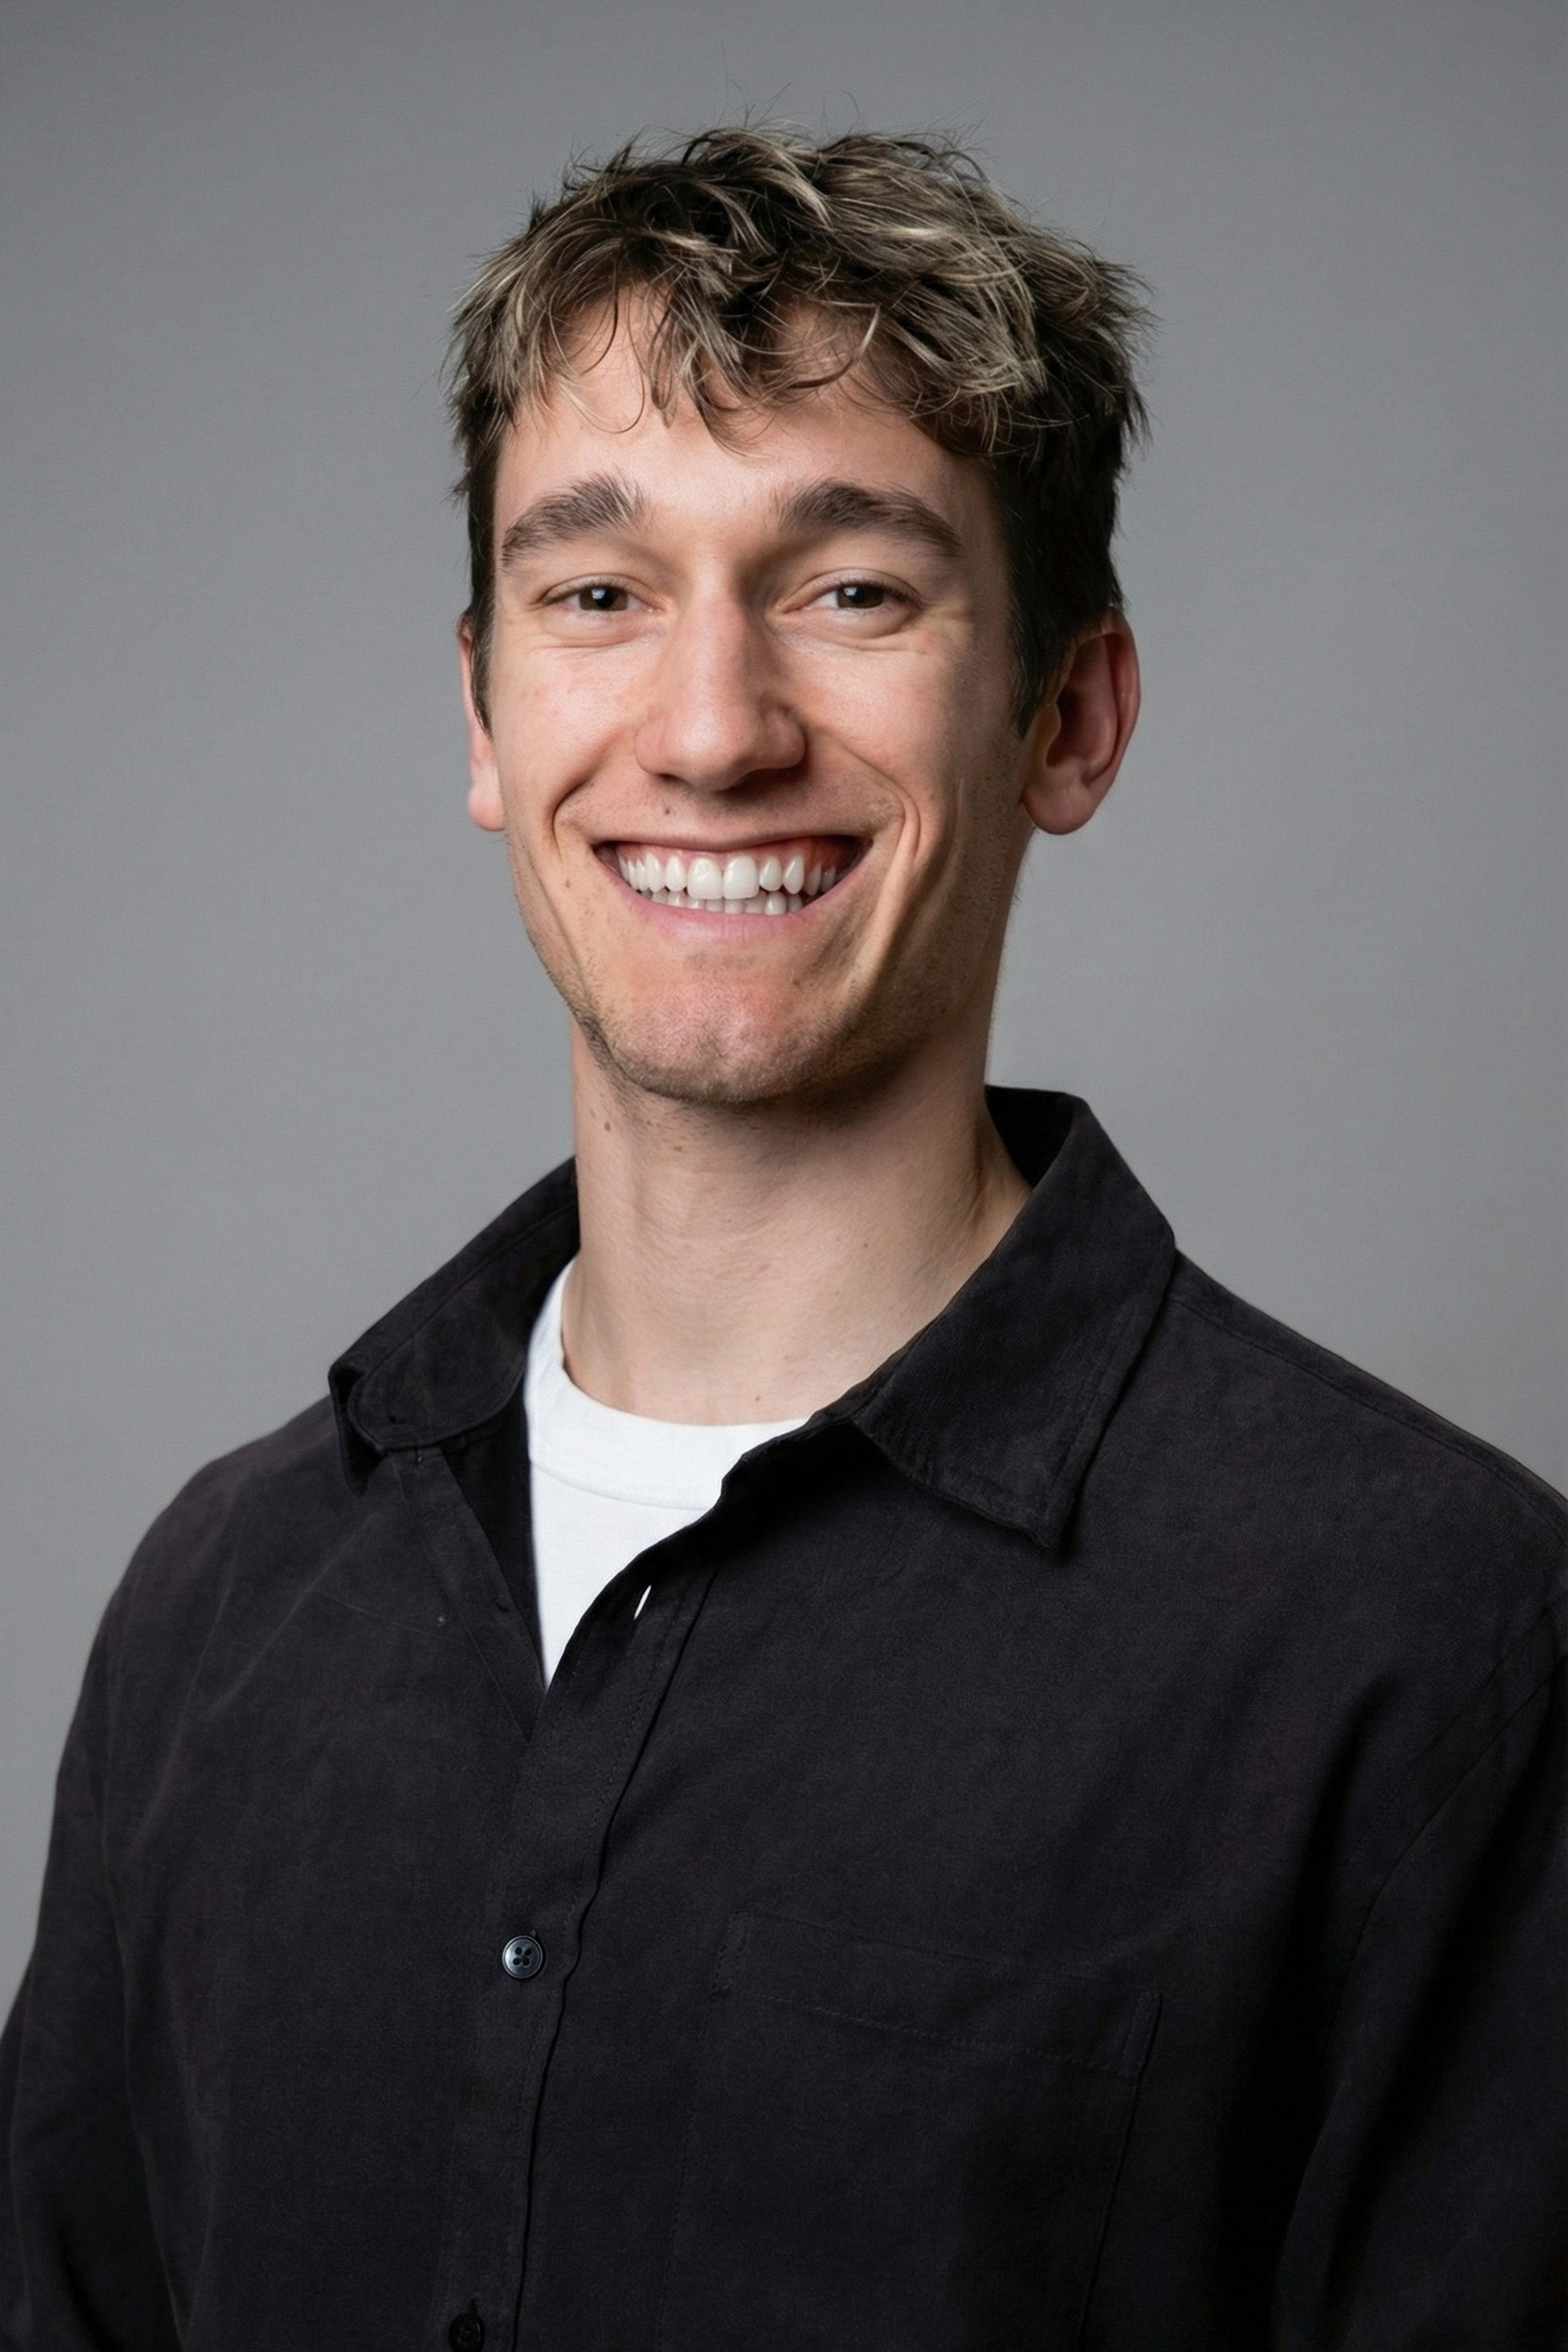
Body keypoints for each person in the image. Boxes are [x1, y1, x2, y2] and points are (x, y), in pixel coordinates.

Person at [1, 124, 1561, 2352]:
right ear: (481, 711)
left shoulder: (1424, 1643)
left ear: (1068, 716)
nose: (712, 729)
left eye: (851, 589)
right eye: (598, 593)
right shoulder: (219, 1607)